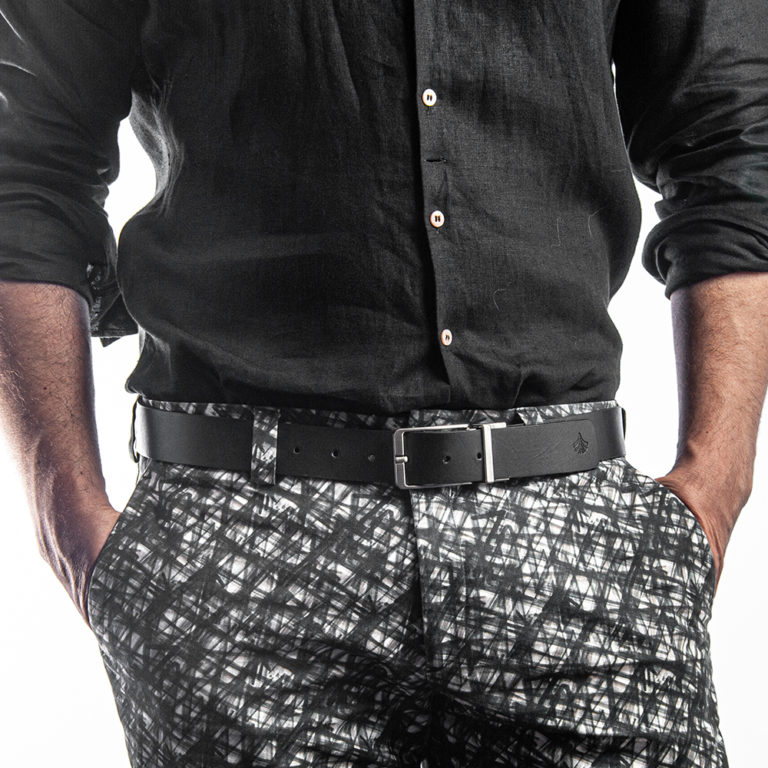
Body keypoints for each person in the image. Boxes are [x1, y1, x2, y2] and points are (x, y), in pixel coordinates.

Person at [1, 1, 766, 766]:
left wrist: (717, 482)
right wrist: (65, 511)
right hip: (240, 540)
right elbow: (26, 162)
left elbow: (731, 142)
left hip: (575, 530)